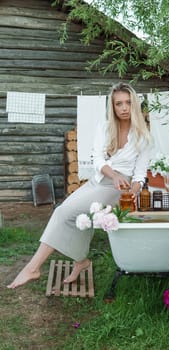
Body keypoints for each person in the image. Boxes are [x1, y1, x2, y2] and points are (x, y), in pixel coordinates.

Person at [7, 82, 153, 289]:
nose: (124, 108)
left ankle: (33, 268)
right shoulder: (104, 127)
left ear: (135, 104)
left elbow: (139, 175)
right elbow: (97, 160)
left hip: (118, 190)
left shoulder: (143, 136)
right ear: (112, 107)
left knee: (63, 213)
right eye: (118, 104)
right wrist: (112, 176)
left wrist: (131, 193)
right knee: (75, 216)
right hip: (100, 180)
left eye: (128, 103)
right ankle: (81, 262)